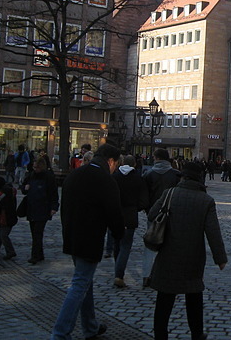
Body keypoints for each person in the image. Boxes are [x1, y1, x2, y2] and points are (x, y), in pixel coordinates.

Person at [51, 143, 124, 340]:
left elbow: (65, 206)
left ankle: (90, 325)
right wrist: (119, 236)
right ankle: (60, 333)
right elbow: (114, 213)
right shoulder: (105, 181)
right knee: (80, 283)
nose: (114, 168)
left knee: (85, 281)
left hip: (72, 235)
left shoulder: (75, 175)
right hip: (90, 237)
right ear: (111, 161)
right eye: (115, 165)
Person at [149, 161, 227, 340]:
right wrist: (220, 258)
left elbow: (152, 214)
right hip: (193, 256)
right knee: (193, 296)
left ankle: (160, 335)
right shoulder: (206, 200)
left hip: (168, 253)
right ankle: (197, 333)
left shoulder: (169, 194)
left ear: (183, 176)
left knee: (164, 298)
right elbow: (213, 232)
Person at [142, 148, 181, 287]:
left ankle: (147, 275)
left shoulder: (148, 174)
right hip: (172, 214)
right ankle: (168, 274)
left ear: (157, 158)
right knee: (170, 246)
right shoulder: (176, 175)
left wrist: (148, 210)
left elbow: (144, 196)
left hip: (153, 214)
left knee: (150, 244)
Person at [113, 154, 149, 288]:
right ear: (134, 164)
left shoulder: (115, 176)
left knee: (117, 244)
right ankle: (119, 274)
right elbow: (144, 200)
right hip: (130, 215)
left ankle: (117, 270)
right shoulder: (138, 178)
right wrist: (137, 207)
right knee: (125, 246)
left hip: (115, 214)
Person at [21, 155, 59, 264]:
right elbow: (23, 187)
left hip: (43, 208)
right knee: (34, 232)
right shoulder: (31, 176)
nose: (35, 169)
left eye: (36, 167)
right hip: (32, 207)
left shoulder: (48, 177)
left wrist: (54, 207)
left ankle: (35, 255)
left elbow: (53, 193)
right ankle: (39, 253)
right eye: (34, 167)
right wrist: (25, 188)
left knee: (38, 232)